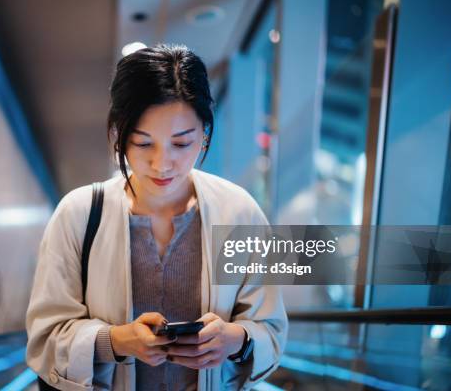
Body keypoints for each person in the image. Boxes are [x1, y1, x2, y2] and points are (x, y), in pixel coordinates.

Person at [26, 44, 288, 391]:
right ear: (119, 136)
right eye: (143, 143)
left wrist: (235, 339)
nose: (162, 164)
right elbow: (45, 338)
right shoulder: (78, 214)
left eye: (181, 144)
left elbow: (270, 328)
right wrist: (117, 341)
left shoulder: (238, 212)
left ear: (205, 134)